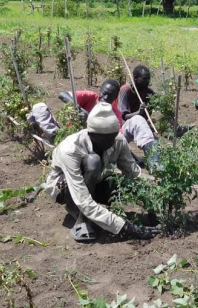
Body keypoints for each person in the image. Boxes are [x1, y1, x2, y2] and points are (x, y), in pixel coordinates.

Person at [42, 102, 161, 242]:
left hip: (95, 182)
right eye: (106, 139)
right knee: (93, 162)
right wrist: (127, 227)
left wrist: (155, 199)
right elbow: (83, 199)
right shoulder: (70, 149)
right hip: (65, 188)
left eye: (113, 136)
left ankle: (86, 212)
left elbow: (134, 173)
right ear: (92, 134)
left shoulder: (117, 140)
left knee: (125, 183)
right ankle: (82, 220)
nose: (112, 142)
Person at [27, 79, 122, 143]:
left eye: (110, 96)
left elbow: (115, 137)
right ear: (100, 90)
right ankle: (51, 136)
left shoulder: (115, 114)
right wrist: (79, 108)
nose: (105, 98)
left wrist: (90, 120)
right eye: (104, 93)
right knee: (40, 107)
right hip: (67, 136)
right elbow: (62, 94)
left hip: (88, 145)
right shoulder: (91, 97)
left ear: (115, 97)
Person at [117, 65, 159, 163]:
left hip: (137, 126)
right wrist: (138, 113)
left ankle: (153, 161)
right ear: (135, 78)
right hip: (122, 128)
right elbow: (123, 116)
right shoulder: (125, 90)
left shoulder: (148, 92)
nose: (147, 82)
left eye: (148, 79)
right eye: (144, 79)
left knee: (152, 139)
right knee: (138, 121)